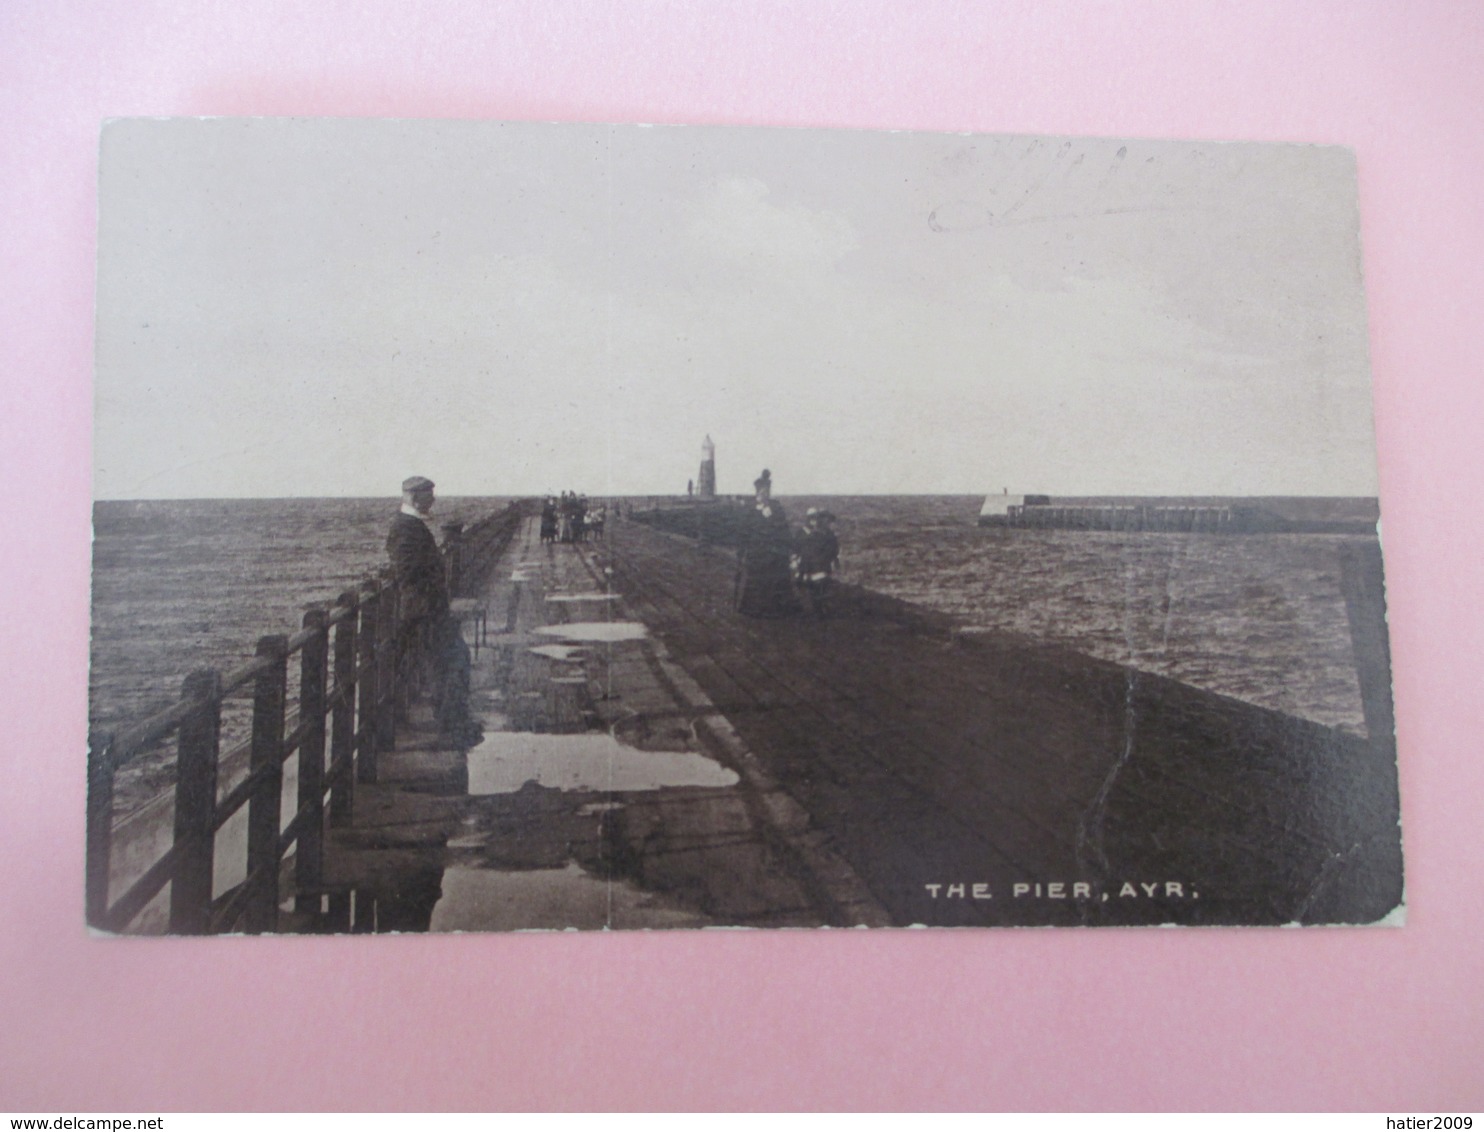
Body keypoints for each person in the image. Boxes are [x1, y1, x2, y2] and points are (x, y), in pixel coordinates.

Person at [386, 476, 480, 746]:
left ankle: (452, 723)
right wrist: (430, 602)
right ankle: (451, 727)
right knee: (449, 663)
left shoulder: (411, 525)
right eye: (430, 496)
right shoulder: (406, 528)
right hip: (424, 613)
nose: (434, 500)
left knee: (448, 662)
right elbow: (407, 573)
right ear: (416, 498)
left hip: (429, 611)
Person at [734, 469, 799, 618]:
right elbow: (744, 531)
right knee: (757, 580)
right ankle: (756, 609)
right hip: (757, 552)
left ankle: (778, 609)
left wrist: (791, 549)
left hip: (775, 551)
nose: (765, 494)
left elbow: (783, 528)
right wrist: (741, 551)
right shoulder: (750, 510)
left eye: (767, 491)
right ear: (757, 492)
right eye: (762, 491)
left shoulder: (776, 507)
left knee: (777, 578)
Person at [794, 508, 841, 617]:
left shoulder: (824, 534)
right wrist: (796, 559)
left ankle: (820, 607)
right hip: (807, 564)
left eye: (816, 519)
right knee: (809, 587)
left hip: (820, 564)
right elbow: (796, 547)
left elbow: (831, 548)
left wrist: (833, 559)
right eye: (811, 519)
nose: (814, 521)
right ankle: (813, 608)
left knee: (820, 586)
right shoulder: (802, 533)